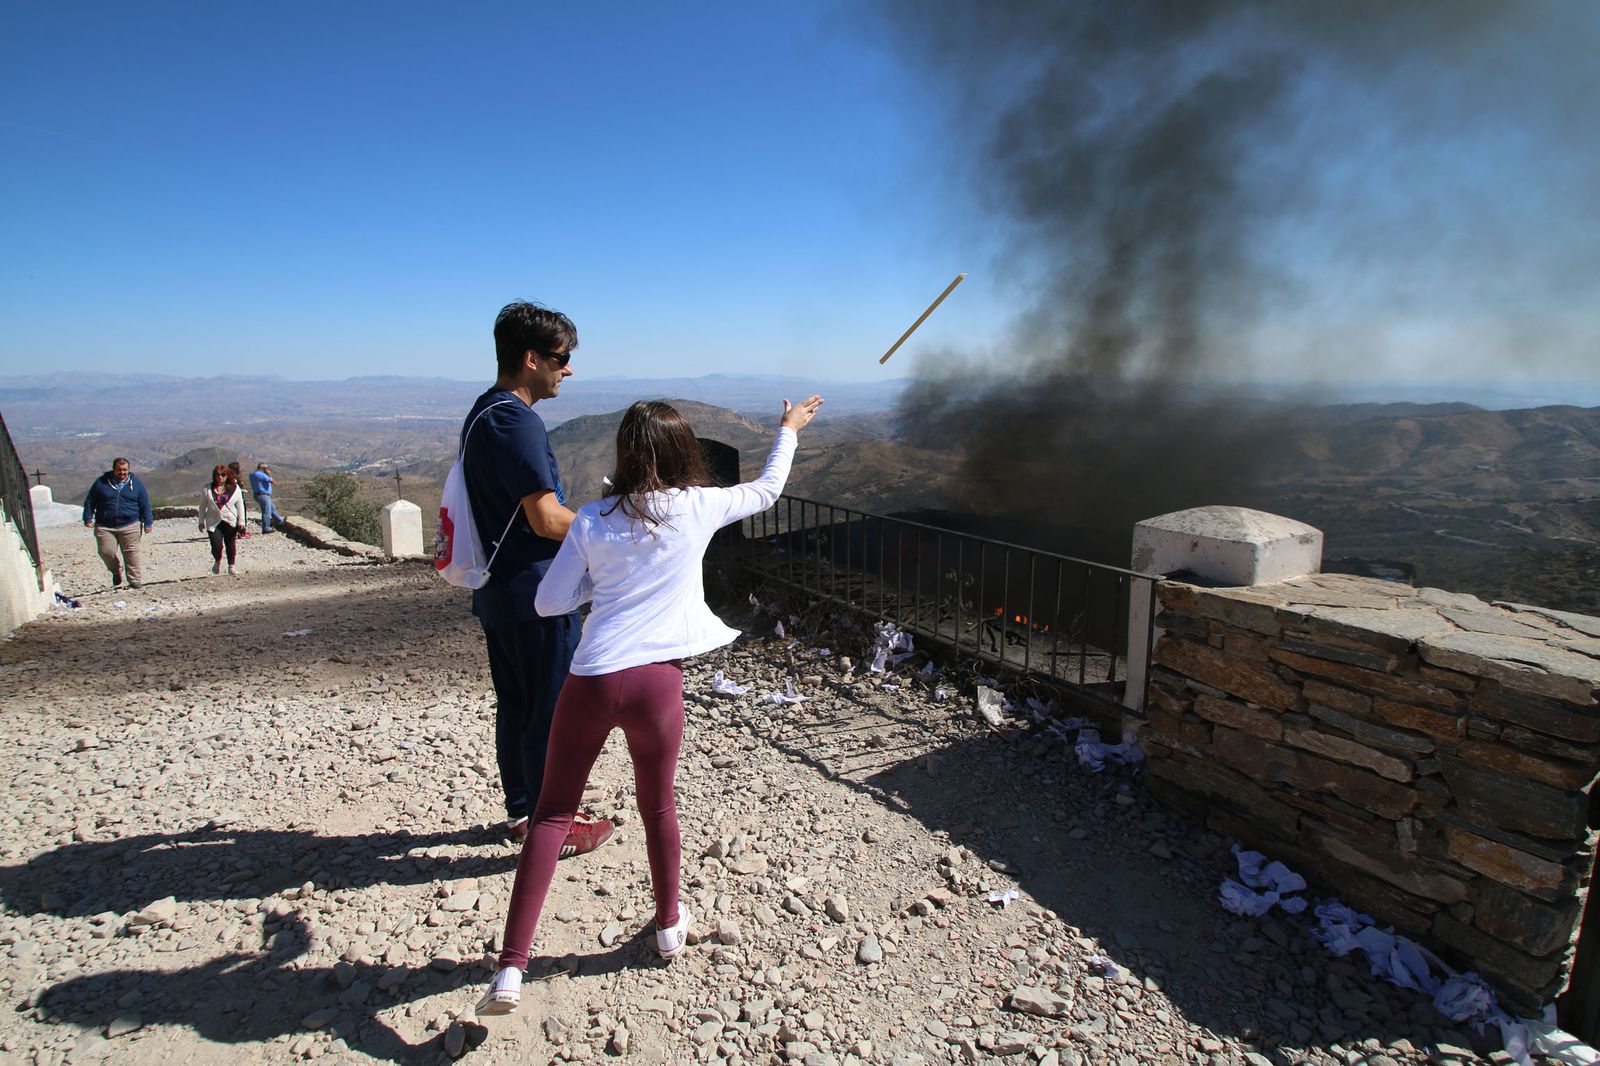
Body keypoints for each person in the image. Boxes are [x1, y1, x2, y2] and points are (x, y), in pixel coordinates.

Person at [476, 392, 824, 1016]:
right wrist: (788, 429)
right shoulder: (696, 506)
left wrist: (598, 583)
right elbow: (769, 490)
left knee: (552, 816)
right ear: (683, 450)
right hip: (658, 684)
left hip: (592, 680)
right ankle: (668, 927)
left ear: (626, 453)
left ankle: (509, 972)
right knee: (658, 804)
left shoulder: (591, 519)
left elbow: (549, 604)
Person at [462, 301, 613, 854]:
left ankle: (526, 814)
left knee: (519, 704)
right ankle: (556, 826)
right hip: (537, 594)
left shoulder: (484, 411)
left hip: (501, 591)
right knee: (551, 710)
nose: (568, 368)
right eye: (561, 357)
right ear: (531, 358)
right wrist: (617, 537)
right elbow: (546, 517)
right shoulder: (518, 421)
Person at [82, 457, 154, 589]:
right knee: (105, 552)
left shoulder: (136, 484)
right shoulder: (101, 483)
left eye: (125, 470)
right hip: (105, 525)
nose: (122, 473)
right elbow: (90, 501)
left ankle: (134, 580)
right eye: (119, 470)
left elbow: (145, 504)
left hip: (130, 523)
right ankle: (116, 570)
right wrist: (87, 517)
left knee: (131, 552)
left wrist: (148, 522)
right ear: (113, 469)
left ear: (129, 470)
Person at [199, 464, 246, 575]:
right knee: (216, 545)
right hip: (213, 521)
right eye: (218, 475)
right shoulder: (207, 489)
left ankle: (231, 566)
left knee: (230, 544)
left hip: (230, 520)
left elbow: (240, 505)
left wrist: (241, 522)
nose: (220, 477)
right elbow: (202, 506)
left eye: (223, 475)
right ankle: (217, 560)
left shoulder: (235, 488)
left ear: (227, 476)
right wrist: (201, 521)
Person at [249, 463, 285, 534]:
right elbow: (272, 481)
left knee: (272, 508)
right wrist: (269, 474)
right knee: (266, 511)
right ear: (264, 469)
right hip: (264, 495)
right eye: (267, 468)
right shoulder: (262, 475)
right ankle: (266, 528)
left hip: (257, 494)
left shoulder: (252, 474)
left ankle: (280, 522)